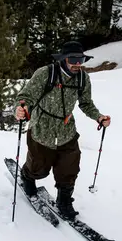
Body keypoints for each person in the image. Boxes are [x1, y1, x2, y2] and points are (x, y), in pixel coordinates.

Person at [14, 41, 111, 220]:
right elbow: (25, 97)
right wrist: (22, 109)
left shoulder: (83, 78)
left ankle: (64, 201)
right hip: (42, 129)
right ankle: (27, 176)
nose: (77, 63)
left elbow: (86, 103)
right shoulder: (45, 74)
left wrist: (98, 117)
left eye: (80, 59)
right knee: (39, 169)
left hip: (67, 131)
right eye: (73, 59)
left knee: (69, 168)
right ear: (64, 59)